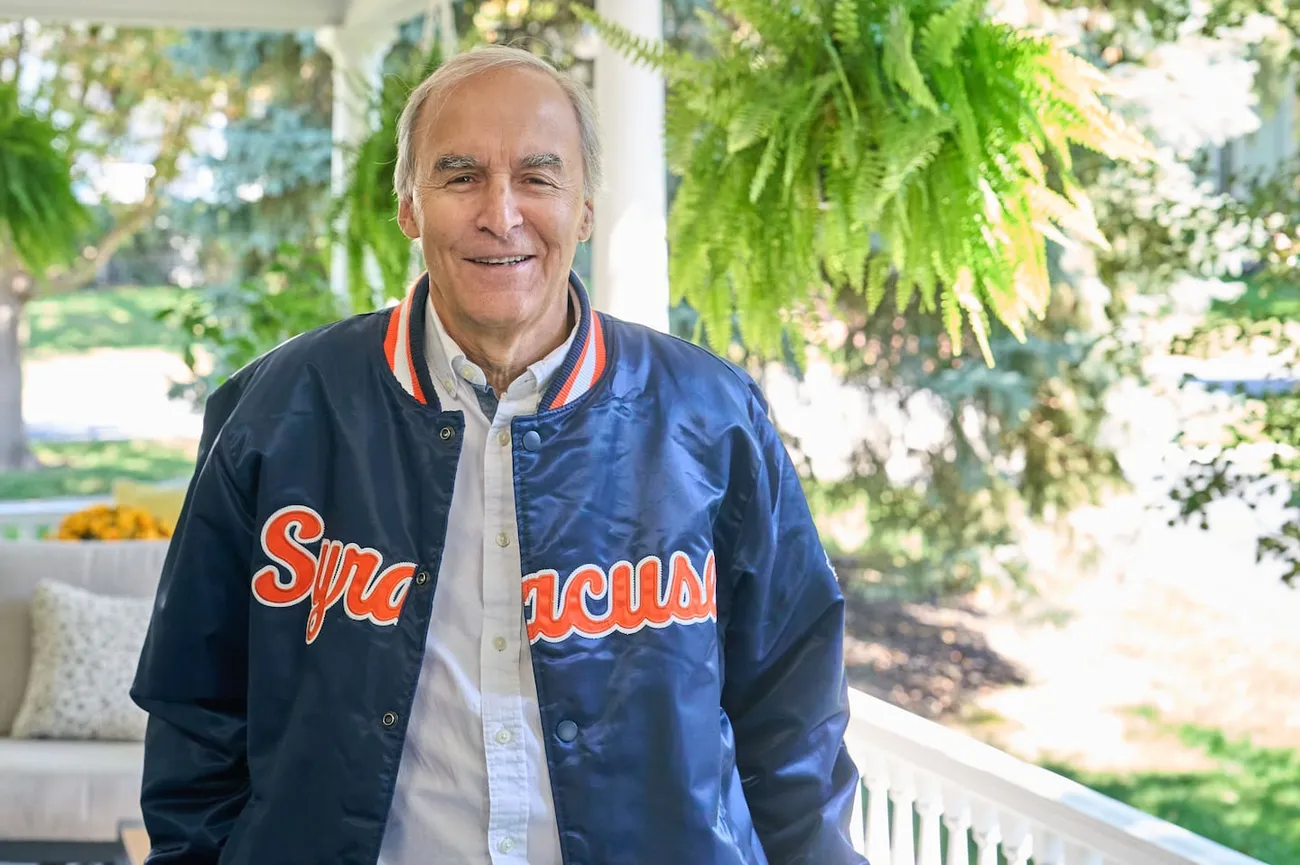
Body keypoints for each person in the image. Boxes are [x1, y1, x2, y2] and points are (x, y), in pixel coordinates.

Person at [131, 45, 866, 865]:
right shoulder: (274, 413)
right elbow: (196, 721)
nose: (502, 213)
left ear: (585, 206)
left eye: (539, 177)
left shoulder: (713, 417)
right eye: (460, 175)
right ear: (409, 204)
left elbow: (793, 719)